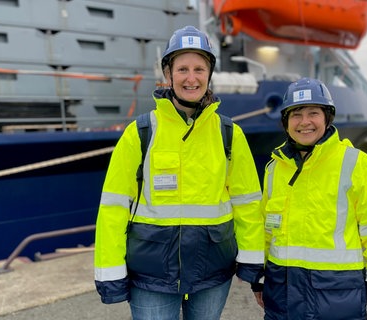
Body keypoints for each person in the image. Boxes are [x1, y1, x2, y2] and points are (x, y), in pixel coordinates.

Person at [93, 25, 265, 320]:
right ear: (168, 75)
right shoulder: (140, 133)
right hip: (152, 276)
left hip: (212, 271)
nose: (191, 77)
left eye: (199, 68)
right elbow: (113, 207)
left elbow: (247, 204)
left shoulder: (229, 134)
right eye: (182, 68)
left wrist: (252, 263)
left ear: (209, 75)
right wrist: (110, 273)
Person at [254, 77, 367, 320]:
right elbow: (266, 231)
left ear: (327, 118)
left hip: (336, 300)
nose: (304, 122)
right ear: (286, 122)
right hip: (282, 295)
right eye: (296, 115)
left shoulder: (357, 164)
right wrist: (260, 280)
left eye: (313, 113)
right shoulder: (274, 169)